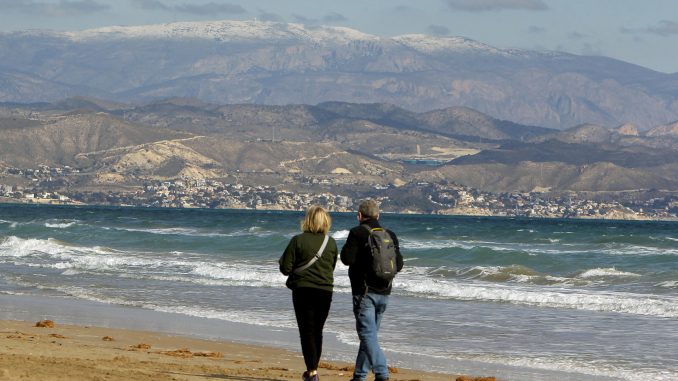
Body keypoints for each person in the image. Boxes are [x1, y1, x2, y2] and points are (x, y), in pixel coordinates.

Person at [340, 199, 403, 381]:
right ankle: (359, 376)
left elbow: (347, 259)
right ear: (378, 215)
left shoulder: (357, 232)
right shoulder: (390, 234)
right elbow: (399, 265)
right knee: (370, 337)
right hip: (385, 292)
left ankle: (382, 373)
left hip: (364, 293)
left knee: (367, 335)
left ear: (359, 216)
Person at [279, 205, 338, 381]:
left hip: (303, 290)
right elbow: (332, 267)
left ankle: (312, 371)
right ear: (326, 221)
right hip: (325, 290)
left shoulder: (297, 240)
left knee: (306, 331)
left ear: (307, 220)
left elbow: (285, 268)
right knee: (317, 330)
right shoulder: (331, 242)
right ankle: (313, 370)